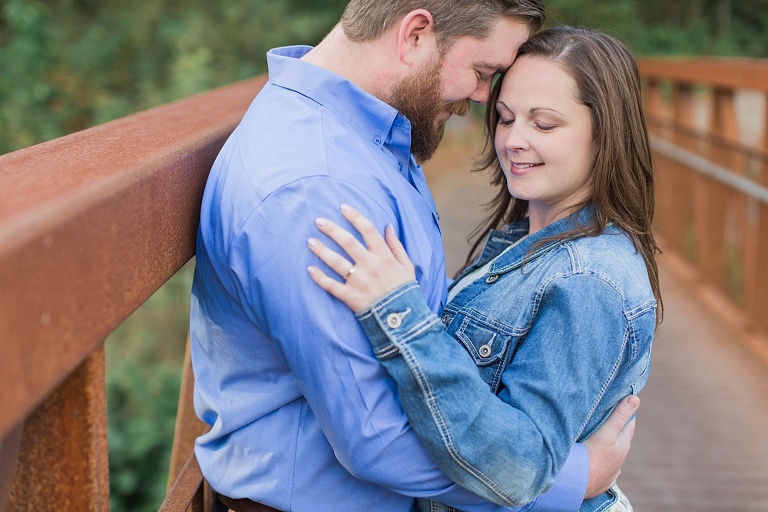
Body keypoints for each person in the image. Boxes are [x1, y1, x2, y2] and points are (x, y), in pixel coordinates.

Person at [190, 1, 638, 509]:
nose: (481, 98)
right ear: (416, 35)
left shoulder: (373, 136)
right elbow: (379, 439)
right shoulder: (316, 187)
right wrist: (569, 480)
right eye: (482, 72)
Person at [307, 26, 660, 512]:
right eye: (505, 117)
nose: (514, 140)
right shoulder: (523, 246)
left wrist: (396, 313)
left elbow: (518, 466)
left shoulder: (588, 281)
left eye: (545, 124)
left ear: (606, 132)